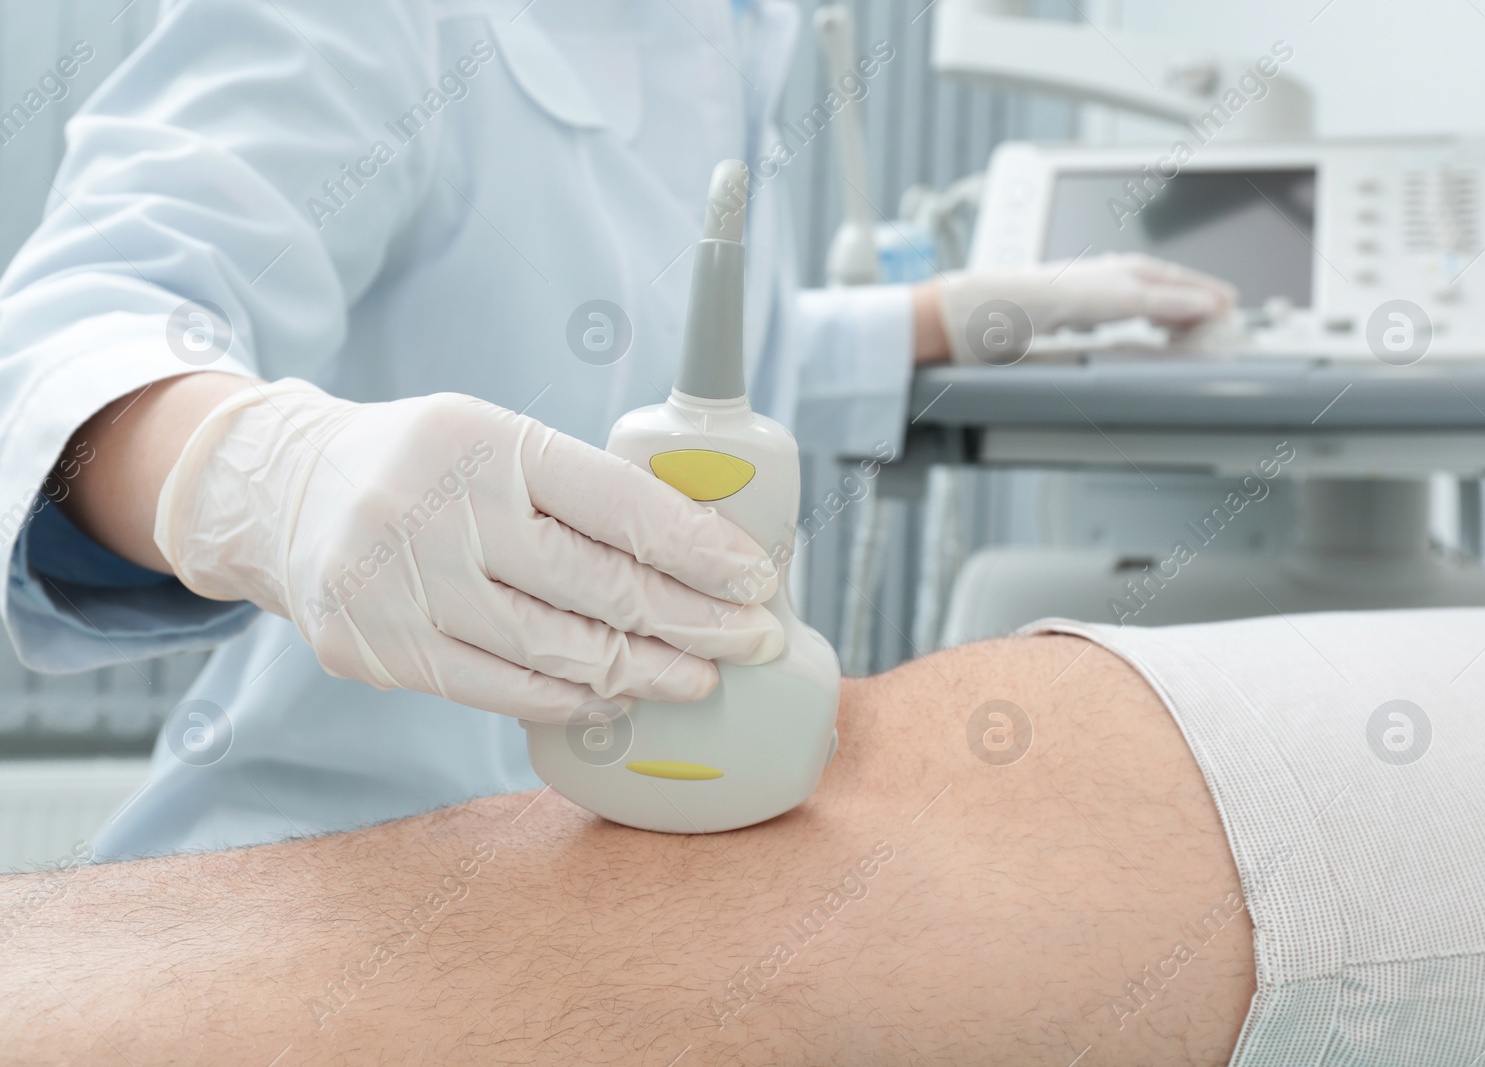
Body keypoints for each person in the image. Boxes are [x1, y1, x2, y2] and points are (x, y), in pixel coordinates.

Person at [0, 0, 1238, 859]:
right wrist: (257, 477)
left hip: (613, 856)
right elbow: (72, 335)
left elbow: (684, 382)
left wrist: (941, 318)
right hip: (328, 847)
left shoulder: (743, 33)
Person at [6, 604, 1485, 1064]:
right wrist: (237, 466)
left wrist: (931, 325)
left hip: (461, 847)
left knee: (866, 857)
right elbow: (98, 303)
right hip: (296, 834)